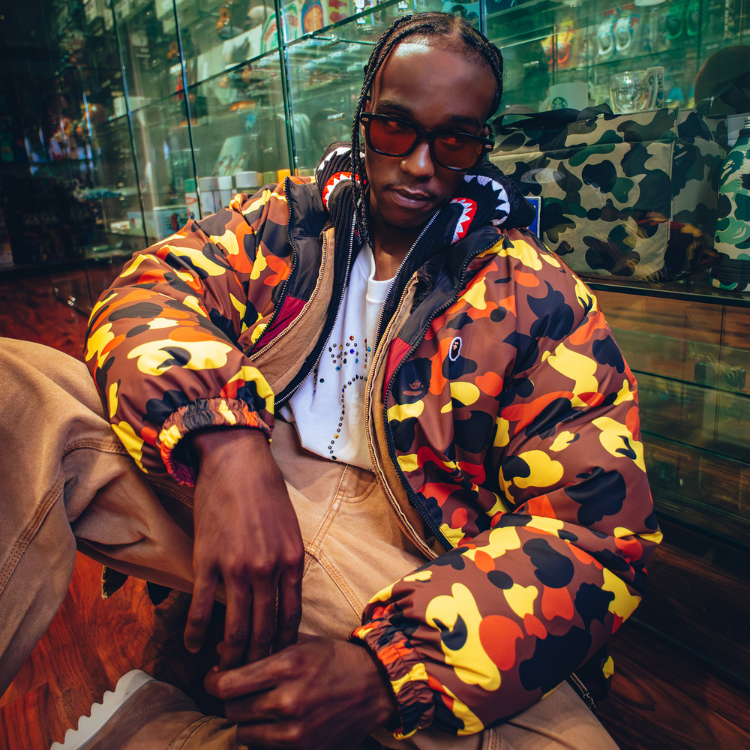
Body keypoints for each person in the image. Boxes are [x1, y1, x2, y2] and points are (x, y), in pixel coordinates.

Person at [0, 12, 659, 750]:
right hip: (241, 481)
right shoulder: (284, 223)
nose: (419, 164)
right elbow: (150, 292)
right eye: (395, 128)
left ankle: (161, 731)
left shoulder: (537, 295)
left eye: (454, 140)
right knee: (15, 391)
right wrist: (224, 443)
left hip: (412, 553)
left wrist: (387, 671)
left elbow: (595, 532)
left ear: (482, 144)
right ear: (363, 116)